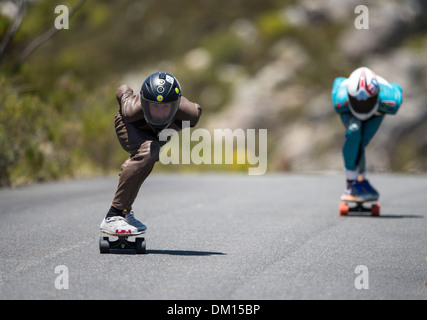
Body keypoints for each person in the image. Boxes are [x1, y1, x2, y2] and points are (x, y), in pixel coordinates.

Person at [100, 71, 202, 235]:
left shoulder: (190, 114)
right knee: (148, 151)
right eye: (154, 106)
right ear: (145, 103)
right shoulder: (131, 109)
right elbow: (123, 89)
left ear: (175, 106)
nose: (160, 113)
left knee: (147, 158)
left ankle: (125, 212)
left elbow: (196, 109)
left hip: (159, 135)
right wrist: (126, 91)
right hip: (130, 125)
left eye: (166, 107)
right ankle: (113, 216)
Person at [331, 67, 402, 202]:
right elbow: (338, 82)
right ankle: (351, 183)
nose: (363, 105)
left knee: (362, 141)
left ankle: (360, 180)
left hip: (378, 110)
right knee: (354, 131)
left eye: (367, 102)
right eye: (358, 102)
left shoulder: (391, 101)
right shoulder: (340, 100)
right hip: (350, 110)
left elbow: (397, 88)